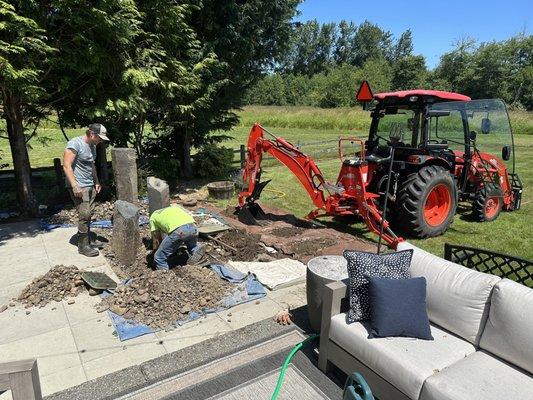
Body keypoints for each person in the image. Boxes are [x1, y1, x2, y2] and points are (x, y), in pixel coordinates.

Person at [63, 123, 109, 257]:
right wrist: (74, 185)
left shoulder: (92, 146)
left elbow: (91, 165)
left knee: (89, 214)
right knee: (84, 215)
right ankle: (83, 246)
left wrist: (96, 181)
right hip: (79, 186)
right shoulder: (75, 144)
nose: (100, 141)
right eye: (99, 138)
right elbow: (66, 166)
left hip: (90, 185)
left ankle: (88, 240)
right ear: (91, 134)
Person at [150, 205, 205, 270]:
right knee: (192, 246)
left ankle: (164, 276)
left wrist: (157, 250)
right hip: (193, 228)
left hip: (179, 231)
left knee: (159, 257)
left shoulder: (152, 217)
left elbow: (157, 238)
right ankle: (197, 259)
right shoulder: (174, 208)